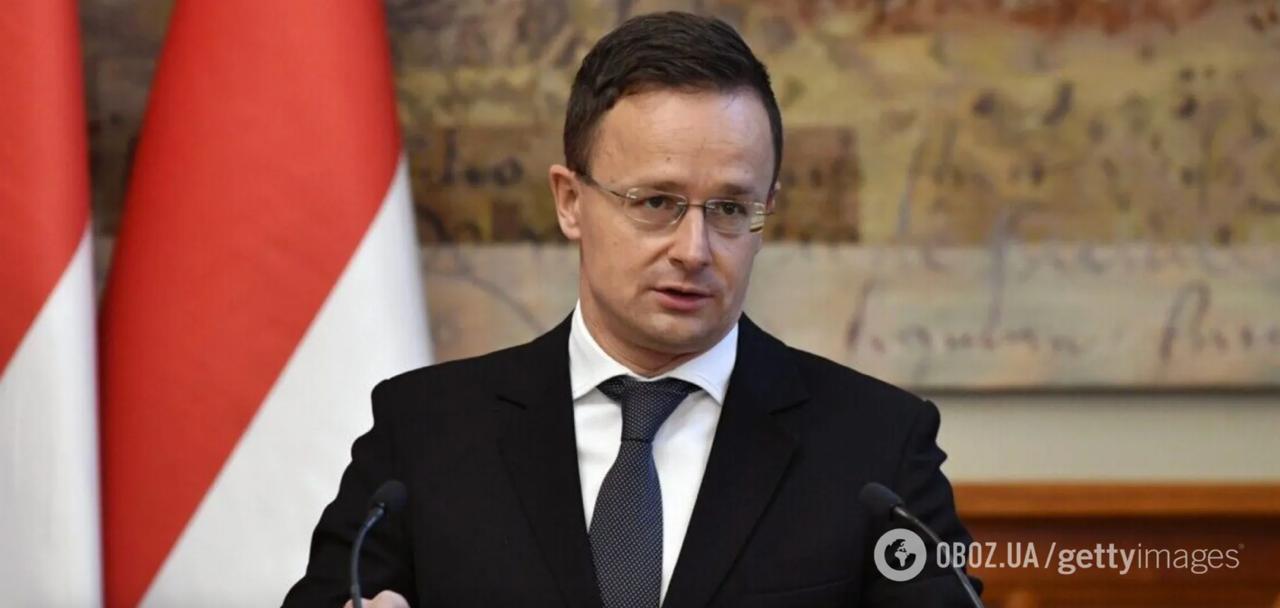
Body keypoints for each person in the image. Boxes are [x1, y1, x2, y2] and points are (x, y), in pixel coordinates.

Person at [284, 11, 980, 608]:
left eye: (730, 209)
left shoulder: (878, 448)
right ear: (570, 201)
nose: (694, 250)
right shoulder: (426, 431)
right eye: (656, 202)